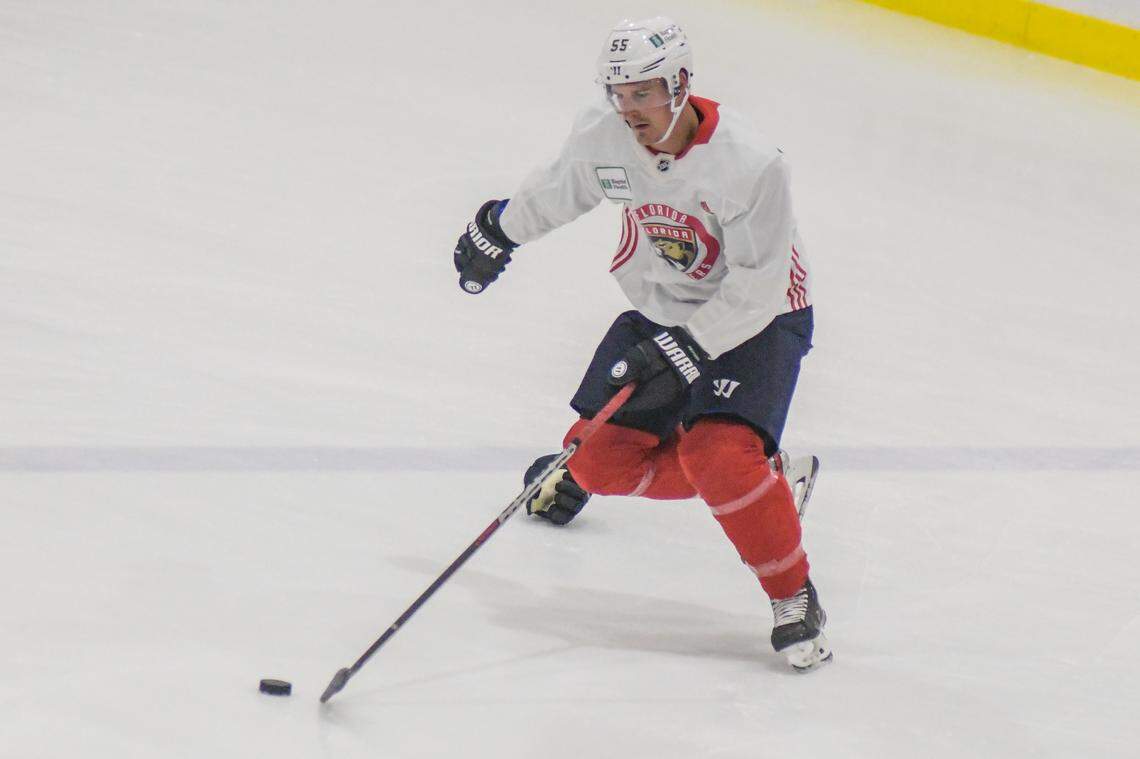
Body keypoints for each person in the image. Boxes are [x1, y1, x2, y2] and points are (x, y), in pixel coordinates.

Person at [452, 17, 831, 672]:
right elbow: (561, 187)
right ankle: (766, 481)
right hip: (664, 310)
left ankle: (794, 596)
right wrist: (500, 229)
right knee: (597, 458)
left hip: (760, 320)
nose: (628, 109)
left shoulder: (751, 164)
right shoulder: (608, 135)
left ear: (680, 85)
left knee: (719, 456)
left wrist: (690, 346)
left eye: (643, 93)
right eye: (617, 93)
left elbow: (760, 287)